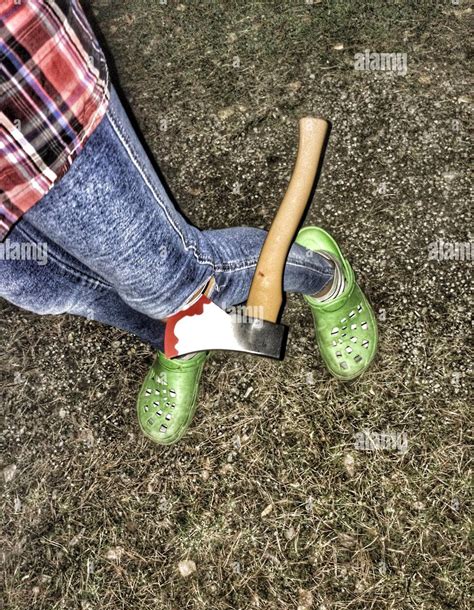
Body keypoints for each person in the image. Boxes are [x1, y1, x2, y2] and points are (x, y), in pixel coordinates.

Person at [0, 0, 377, 445]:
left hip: (23, 92)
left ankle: (325, 277)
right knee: (48, 288)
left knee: (172, 281)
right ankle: (183, 336)